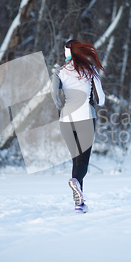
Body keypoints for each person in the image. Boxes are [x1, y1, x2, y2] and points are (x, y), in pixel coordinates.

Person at [51, 40, 106, 213]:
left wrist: (62, 109)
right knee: (82, 162)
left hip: (66, 120)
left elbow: (53, 94)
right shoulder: (90, 70)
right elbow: (102, 99)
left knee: (76, 160)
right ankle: (76, 185)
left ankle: (79, 204)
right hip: (86, 118)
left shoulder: (59, 71)